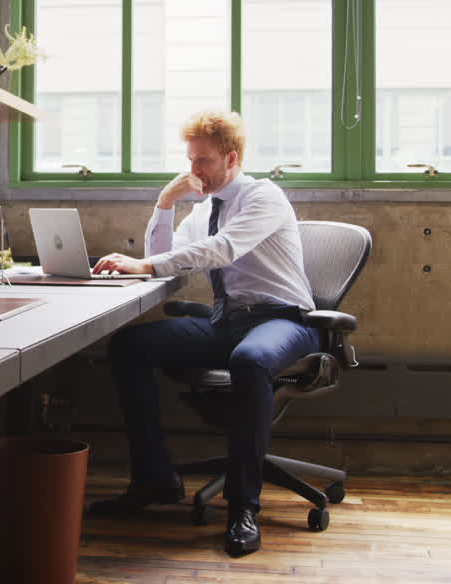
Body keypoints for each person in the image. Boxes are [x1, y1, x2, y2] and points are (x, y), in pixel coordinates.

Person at [87, 110, 317, 558]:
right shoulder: (204, 209)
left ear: (231, 158)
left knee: (249, 358)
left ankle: (243, 507)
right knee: (131, 345)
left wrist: (145, 264)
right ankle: (154, 480)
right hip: (228, 323)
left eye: (203, 160)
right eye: (190, 159)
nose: (194, 170)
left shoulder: (263, 197)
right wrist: (164, 203)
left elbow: (221, 249)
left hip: (285, 320)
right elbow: (162, 258)